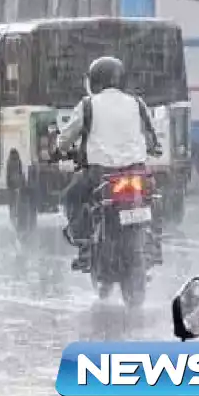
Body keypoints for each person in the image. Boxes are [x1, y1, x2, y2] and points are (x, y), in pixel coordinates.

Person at [55, 56, 162, 272]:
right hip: (136, 171)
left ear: (94, 81)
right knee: (152, 197)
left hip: (100, 174)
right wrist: (149, 148)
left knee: (70, 197)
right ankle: (153, 241)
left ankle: (84, 245)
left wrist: (61, 149)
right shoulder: (137, 103)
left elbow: (65, 140)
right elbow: (152, 140)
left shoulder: (87, 105)